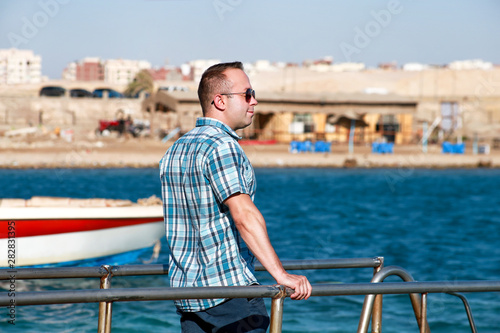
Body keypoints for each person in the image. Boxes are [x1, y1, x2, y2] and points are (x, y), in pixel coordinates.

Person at [160, 61, 312, 332]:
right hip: (231, 295)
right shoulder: (222, 146)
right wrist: (281, 275)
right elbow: (244, 215)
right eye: (247, 94)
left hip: (188, 296)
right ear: (220, 101)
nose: (254, 101)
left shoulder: (176, 149)